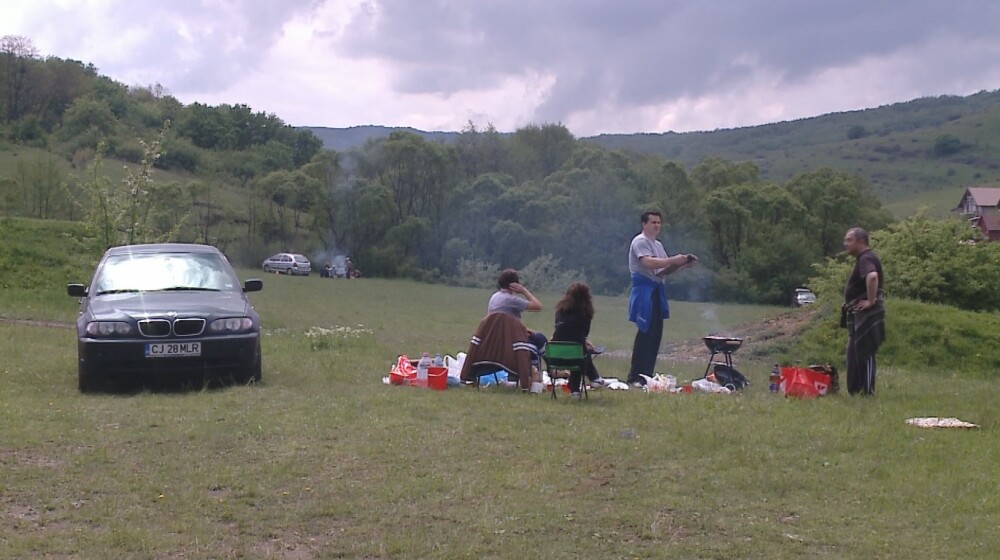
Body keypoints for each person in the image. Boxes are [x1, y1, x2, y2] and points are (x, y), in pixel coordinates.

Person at [626, 210, 697, 387]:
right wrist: (673, 259)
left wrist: (682, 265)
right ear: (644, 224)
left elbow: (663, 271)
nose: (657, 225)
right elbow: (648, 263)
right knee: (645, 332)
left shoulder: (658, 244)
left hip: (657, 289)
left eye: (659, 222)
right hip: (644, 290)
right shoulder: (640, 241)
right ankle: (635, 376)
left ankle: (647, 375)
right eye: (653, 222)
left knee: (655, 334)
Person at [841, 227, 885, 395]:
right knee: (854, 351)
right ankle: (855, 390)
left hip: (867, 313)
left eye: (849, 240)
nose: (845, 244)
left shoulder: (866, 258)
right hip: (859, 313)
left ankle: (867, 392)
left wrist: (871, 301)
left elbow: (872, 276)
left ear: (861, 241)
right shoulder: (863, 258)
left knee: (865, 350)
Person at [551, 282, 606, 399]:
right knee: (581, 353)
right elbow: (581, 335)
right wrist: (585, 342)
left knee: (578, 350)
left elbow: (561, 332)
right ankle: (592, 379)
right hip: (576, 354)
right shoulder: (585, 315)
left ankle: (578, 387)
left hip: (556, 355)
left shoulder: (560, 312)